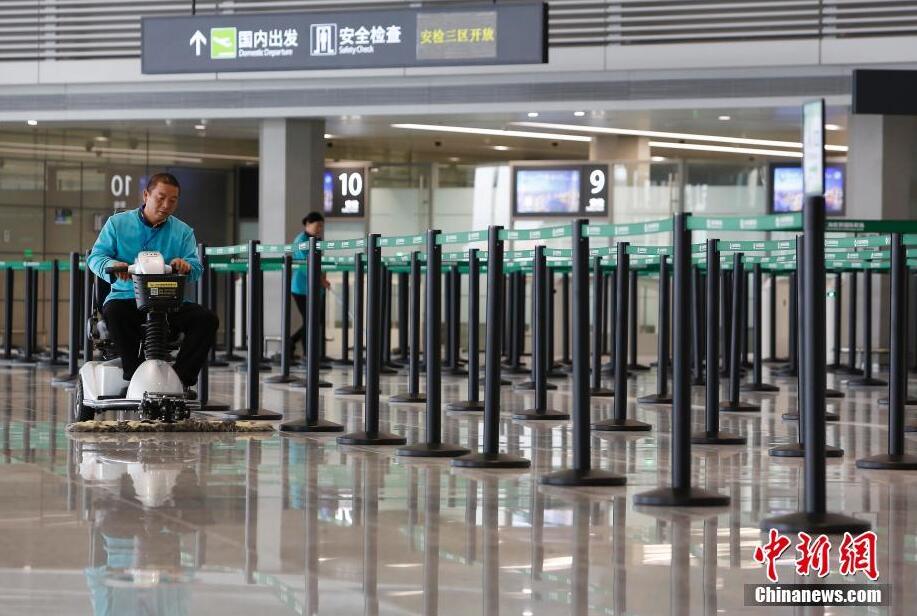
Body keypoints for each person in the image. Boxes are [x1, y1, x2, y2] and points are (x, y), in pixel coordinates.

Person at [86, 172, 219, 388]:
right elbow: (96, 257)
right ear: (146, 195)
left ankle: (180, 381)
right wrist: (112, 266)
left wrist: (185, 266)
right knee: (114, 312)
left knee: (206, 320)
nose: (166, 205)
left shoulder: (183, 232)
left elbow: (196, 268)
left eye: (173, 200)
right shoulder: (117, 224)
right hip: (126, 297)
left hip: (168, 301)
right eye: (161, 197)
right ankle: (135, 376)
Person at [290, 212, 330, 359]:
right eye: (317, 225)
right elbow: (306, 265)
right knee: (310, 320)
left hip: (315, 288)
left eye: (321, 226)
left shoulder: (316, 240)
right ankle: (307, 354)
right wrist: (320, 279)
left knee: (315, 320)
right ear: (308, 224)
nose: (319, 228)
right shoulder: (301, 240)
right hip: (301, 288)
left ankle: (293, 345)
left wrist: (323, 277)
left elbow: (320, 262)